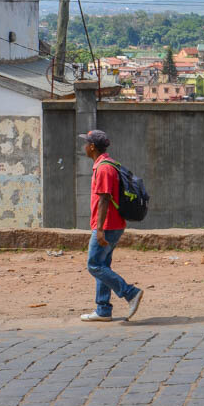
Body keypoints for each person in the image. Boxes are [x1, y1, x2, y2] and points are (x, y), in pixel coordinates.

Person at [78, 130, 145, 322]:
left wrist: (99, 229)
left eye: (86, 143)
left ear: (92, 147)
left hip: (107, 226)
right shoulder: (106, 164)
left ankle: (130, 293)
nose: (84, 146)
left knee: (94, 265)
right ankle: (103, 310)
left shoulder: (104, 169)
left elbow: (105, 199)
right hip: (111, 224)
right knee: (103, 264)